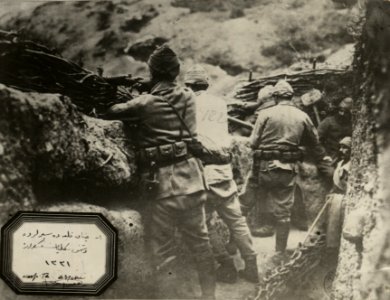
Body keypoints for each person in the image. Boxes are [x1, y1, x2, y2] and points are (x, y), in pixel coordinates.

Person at [105, 45, 216, 299]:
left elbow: (112, 111)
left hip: (162, 185)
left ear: (151, 72)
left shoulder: (144, 103)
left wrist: (134, 94)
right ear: (177, 72)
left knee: (163, 250)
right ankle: (209, 296)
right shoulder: (188, 96)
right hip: (193, 180)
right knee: (201, 242)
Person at [240, 80, 333, 261]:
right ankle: (279, 252)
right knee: (283, 211)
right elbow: (314, 142)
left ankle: (233, 244)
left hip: (262, 168)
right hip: (286, 170)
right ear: (291, 97)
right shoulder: (302, 116)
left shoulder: (265, 114)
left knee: (244, 205)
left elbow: (252, 143)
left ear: (275, 97)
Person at [184, 64, 259, 284]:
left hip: (203, 170)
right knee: (236, 220)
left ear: (188, 86)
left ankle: (226, 266)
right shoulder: (219, 103)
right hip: (224, 167)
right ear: (205, 84)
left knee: (205, 222)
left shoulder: (187, 102)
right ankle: (251, 264)